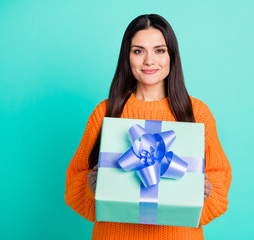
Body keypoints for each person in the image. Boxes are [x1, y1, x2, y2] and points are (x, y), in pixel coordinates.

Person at [65, 14, 232, 240]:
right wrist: (91, 187)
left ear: (172, 55)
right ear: (127, 56)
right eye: (138, 51)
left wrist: (204, 193)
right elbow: (74, 181)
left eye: (159, 50)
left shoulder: (197, 113)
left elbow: (220, 179)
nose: (149, 61)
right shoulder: (104, 113)